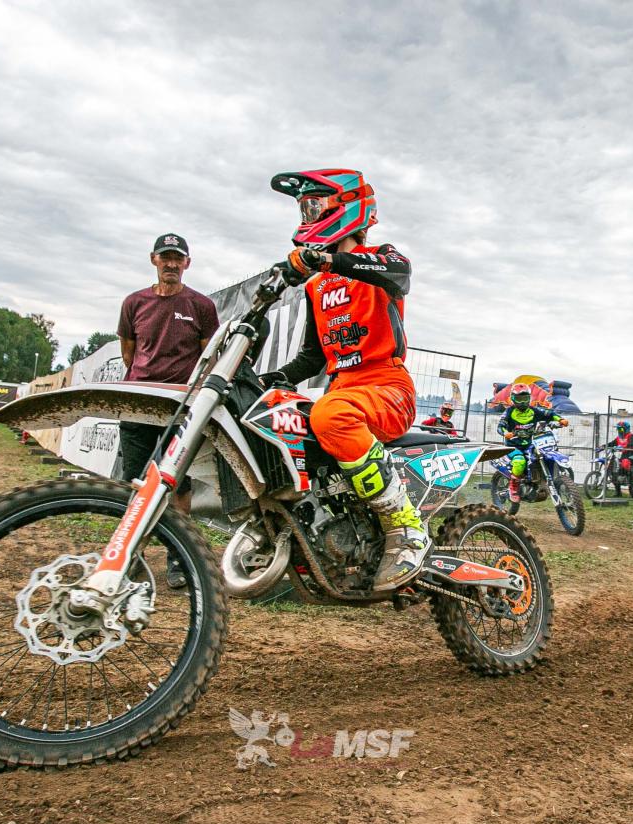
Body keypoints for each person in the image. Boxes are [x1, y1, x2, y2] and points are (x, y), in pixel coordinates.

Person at [259, 168, 425, 593]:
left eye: (313, 206)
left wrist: (327, 259)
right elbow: (313, 357)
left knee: (330, 415)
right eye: (303, 209)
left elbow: (400, 272)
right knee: (276, 415)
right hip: (342, 388)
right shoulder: (316, 287)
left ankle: (404, 524)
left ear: (345, 208)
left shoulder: (382, 260)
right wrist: (274, 378)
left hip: (386, 386)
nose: (307, 216)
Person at [116, 232, 219, 588]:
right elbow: (129, 353)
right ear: (154, 260)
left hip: (180, 407)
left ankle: (178, 558)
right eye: (165, 257)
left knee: (178, 485)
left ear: (187, 263)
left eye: (177, 258)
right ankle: (131, 555)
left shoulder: (201, 306)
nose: (171, 264)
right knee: (134, 482)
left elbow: (209, 358)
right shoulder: (134, 303)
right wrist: (147, 383)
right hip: (138, 404)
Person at [496, 384, 564, 503]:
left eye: (525, 398)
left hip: (530, 444)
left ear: (529, 398)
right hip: (513, 446)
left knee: (543, 454)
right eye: (519, 399)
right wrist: (506, 433)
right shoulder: (509, 412)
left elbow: (549, 413)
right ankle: (513, 488)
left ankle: (540, 480)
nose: (522, 402)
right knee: (520, 461)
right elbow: (500, 426)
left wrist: (560, 419)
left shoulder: (534, 411)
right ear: (513, 399)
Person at [610, 420, 633, 496]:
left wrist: (622, 447)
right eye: (618, 429)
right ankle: (618, 492)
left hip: (630, 456)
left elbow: (631, 445)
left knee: (628, 469)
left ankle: (632, 488)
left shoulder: (630, 436)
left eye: (621, 429)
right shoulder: (619, 437)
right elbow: (612, 443)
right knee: (614, 473)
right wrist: (603, 446)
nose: (619, 430)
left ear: (626, 429)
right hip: (623, 456)